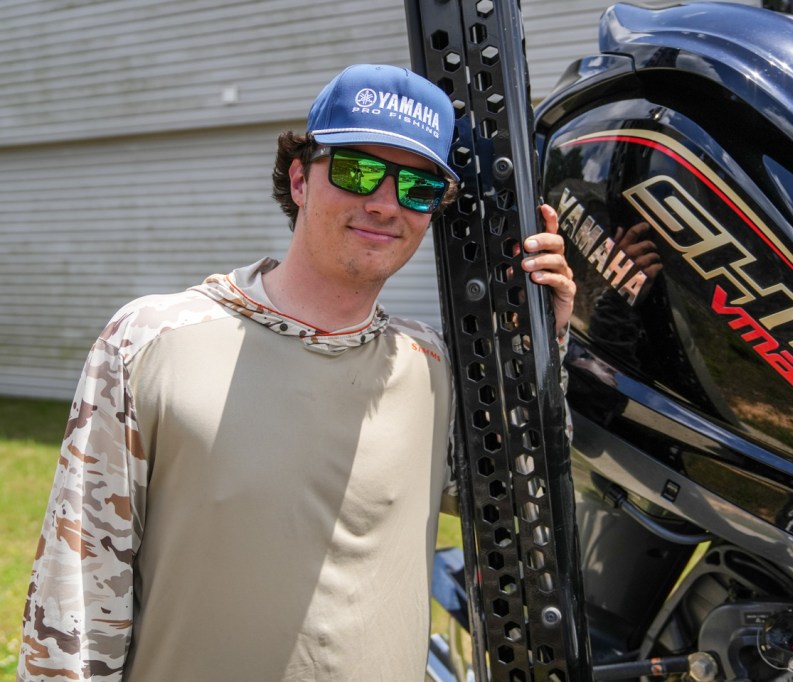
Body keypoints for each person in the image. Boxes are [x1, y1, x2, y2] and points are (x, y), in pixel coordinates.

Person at [18, 63, 576, 681]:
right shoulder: (152, 343)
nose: (384, 203)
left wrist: (539, 346)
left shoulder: (432, 367)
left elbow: (519, 497)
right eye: (357, 171)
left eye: (418, 188)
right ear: (300, 178)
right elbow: (75, 601)